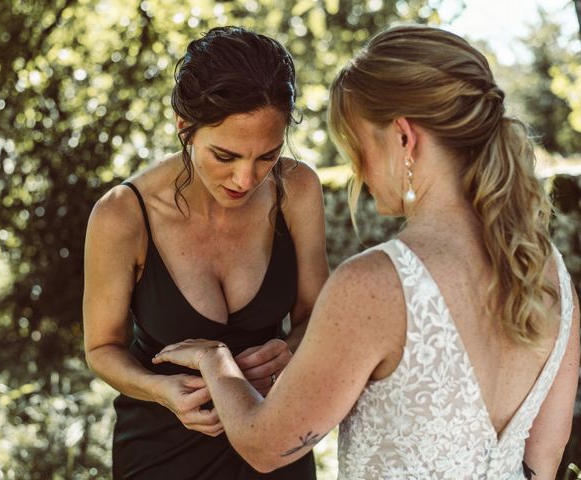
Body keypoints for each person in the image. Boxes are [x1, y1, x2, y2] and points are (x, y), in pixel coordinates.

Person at [153, 25, 581, 480]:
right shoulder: (545, 271)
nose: (358, 171)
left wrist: (215, 361)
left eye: (357, 145)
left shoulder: (376, 285)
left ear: (402, 137)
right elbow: (541, 461)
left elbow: (265, 446)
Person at [82, 26, 328, 479]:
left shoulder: (297, 189)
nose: (245, 179)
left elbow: (316, 313)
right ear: (184, 126)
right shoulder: (122, 216)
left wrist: (292, 348)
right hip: (160, 454)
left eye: (267, 156)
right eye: (226, 155)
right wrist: (160, 391)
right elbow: (102, 348)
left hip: (273, 441)